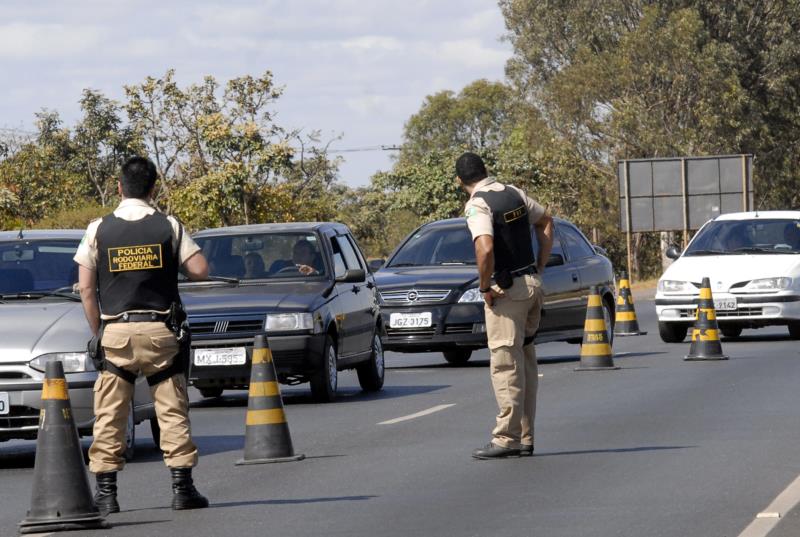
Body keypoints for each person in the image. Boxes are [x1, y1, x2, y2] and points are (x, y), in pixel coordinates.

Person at [75, 156, 210, 515]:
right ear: (153, 189)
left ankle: (107, 494)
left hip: (115, 332)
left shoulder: (98, 229)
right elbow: (199, 269)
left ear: (118, 187)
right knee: (171, 409)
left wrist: (98, 333)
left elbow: (86, 290)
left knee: (110, 414)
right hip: (159, 330)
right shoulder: (167, 225)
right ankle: (183, 489)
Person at [455, 152, 554, 460]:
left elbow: (484, 248)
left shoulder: (478, 204)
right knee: (524, 362)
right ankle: (526, 436)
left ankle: (506, 438)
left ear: (460, 182)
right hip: (532, 286)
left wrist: (485, 287)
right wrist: (539, 265)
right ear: (485, 171)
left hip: (507, 293)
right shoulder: (514, 193)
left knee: (505, 364)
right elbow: (546, 221)